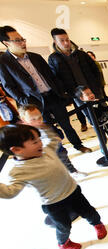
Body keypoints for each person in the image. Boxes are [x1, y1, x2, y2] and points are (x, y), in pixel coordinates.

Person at [0, 124, 108, 249]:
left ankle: (97, 224)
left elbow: (54, 140)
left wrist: (42, 127)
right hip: (53, 203)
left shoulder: (46, 151)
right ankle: (64, 243)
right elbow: (10, 192)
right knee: (63, 226)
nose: (40, 143)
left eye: (39, 139)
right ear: (17, 150)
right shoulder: (18, 171)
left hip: (73, 191)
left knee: (89, 212)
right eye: (34, 142)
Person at [0, 26, 92, 154]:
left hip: (52, 96)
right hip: (34, 102)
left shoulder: (35, 57)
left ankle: (78, 145)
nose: (23, 43)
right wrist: (25, 100)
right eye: (17, 40)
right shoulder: (3, 62)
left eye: (23, 39)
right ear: (6, 43)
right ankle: (59, 153)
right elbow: (8, 86)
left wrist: (61, 93)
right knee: (47, 130)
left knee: (66, 124)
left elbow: (51, 76)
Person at [48, 28, 108, 141]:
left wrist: (98, 86)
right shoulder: (53, 59)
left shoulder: (81, 54)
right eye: (62, 40)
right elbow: (56, 79)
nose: (66, 43)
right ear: (55, 42)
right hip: (79, 96)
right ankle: (102, 139)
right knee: (91, 117)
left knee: (106, 113)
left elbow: (95, 70)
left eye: (67, 39)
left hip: (94, 91)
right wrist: (67, 95)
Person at [18, 104, 87, 180]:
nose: (38, 121)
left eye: (39, 117)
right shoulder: (26, 133)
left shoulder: (45, 125)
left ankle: (73, 172)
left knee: (65, 161)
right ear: (24, 119)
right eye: (33, 119)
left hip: (59, 150)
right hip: (43, 155)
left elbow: (56, 132)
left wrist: (58, 136)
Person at [74, 85, 108, 153]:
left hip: (105, 121)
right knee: (103, 139)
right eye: (87, 94)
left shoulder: (96, 102)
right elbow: (92, 113)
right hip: (97, 125)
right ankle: (103, 149)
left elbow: (103, 109)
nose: (91, 95)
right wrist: (95, 103)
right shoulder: (85, 107)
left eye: (91, 93)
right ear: (82, 98)